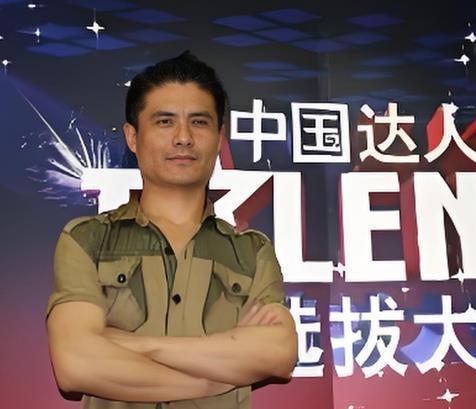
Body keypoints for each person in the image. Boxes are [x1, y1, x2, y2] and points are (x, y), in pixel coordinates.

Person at [45, 51, 297, 409]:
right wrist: (214, 376)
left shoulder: (252, 252)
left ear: (219, 137)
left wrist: (131, 343)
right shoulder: (88, 240)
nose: (183, 138)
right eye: (165, 122)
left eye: (199, 122)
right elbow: (77, 364)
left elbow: (278, 353)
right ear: (133, 137)